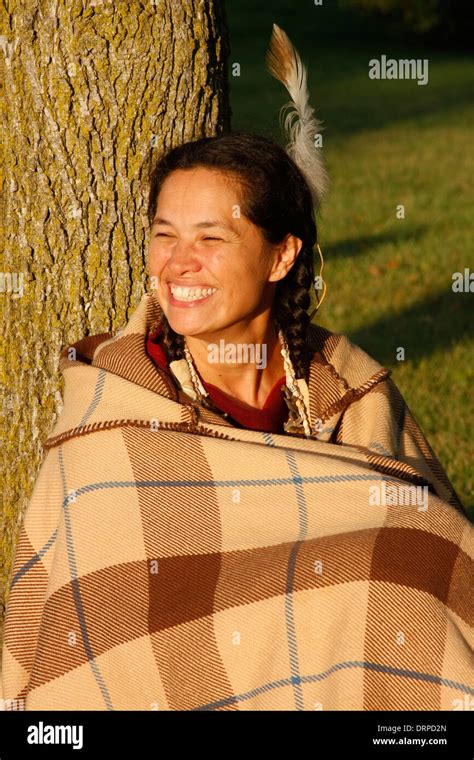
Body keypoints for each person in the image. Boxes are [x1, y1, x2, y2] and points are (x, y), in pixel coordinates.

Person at [0, 25, 470, 712]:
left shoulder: (345, 386)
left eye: (211, 239)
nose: (178, 264)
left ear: (282, 257)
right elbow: (85, 621)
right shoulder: (116, 405)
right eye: (165, 235)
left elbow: (434, 546)